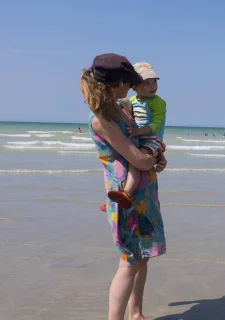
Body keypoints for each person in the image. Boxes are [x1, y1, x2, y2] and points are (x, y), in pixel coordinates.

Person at [80, 53, 167, 320]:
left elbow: (143, 151)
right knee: (129, 262)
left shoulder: (124, 108)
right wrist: (153, 156)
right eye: (127, 82)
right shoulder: (102, 119)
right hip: (125, 197)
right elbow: (139, 159)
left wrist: (156, 156)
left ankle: (136, 313)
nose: (131, 86)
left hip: (144, 193)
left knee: (143, 256)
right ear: (114, 83)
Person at [102, 62, 167, 210]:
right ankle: (115, 199)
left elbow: (156, 125)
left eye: (154, 81)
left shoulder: (158, 102)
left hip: (151, 140)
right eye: (146, 82)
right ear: (134, 86)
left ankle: (126, 193)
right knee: (121, 163)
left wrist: (138, 131)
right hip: (138, 138)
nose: (153, 86)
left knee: (136, 162)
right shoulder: (131, 101)